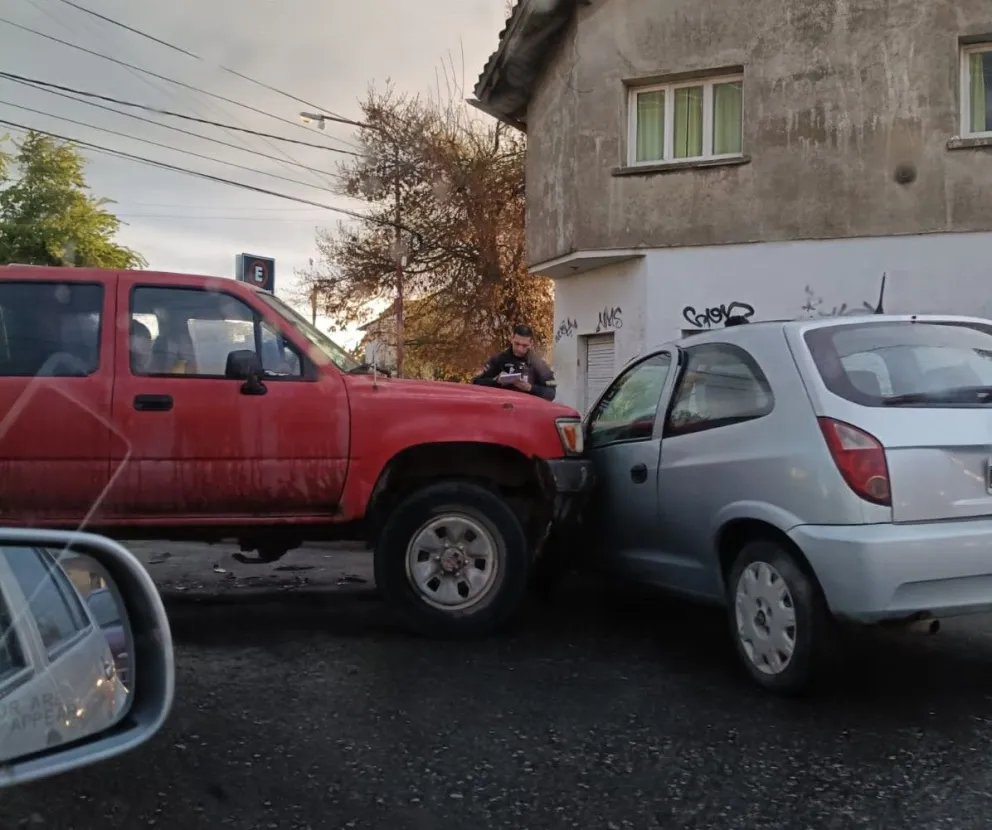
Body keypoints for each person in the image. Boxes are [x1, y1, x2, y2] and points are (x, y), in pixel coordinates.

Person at [472, 324, 557, 401]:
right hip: (502, 409)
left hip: (528, 411)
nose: (520, 349)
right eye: (517, 344)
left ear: (531, 344)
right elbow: (476, 383)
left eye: (524, 345)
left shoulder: (538, 364)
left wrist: (530, 388)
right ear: (511, 339)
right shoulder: (499, 359)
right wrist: (496, 381)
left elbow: (551, 393)